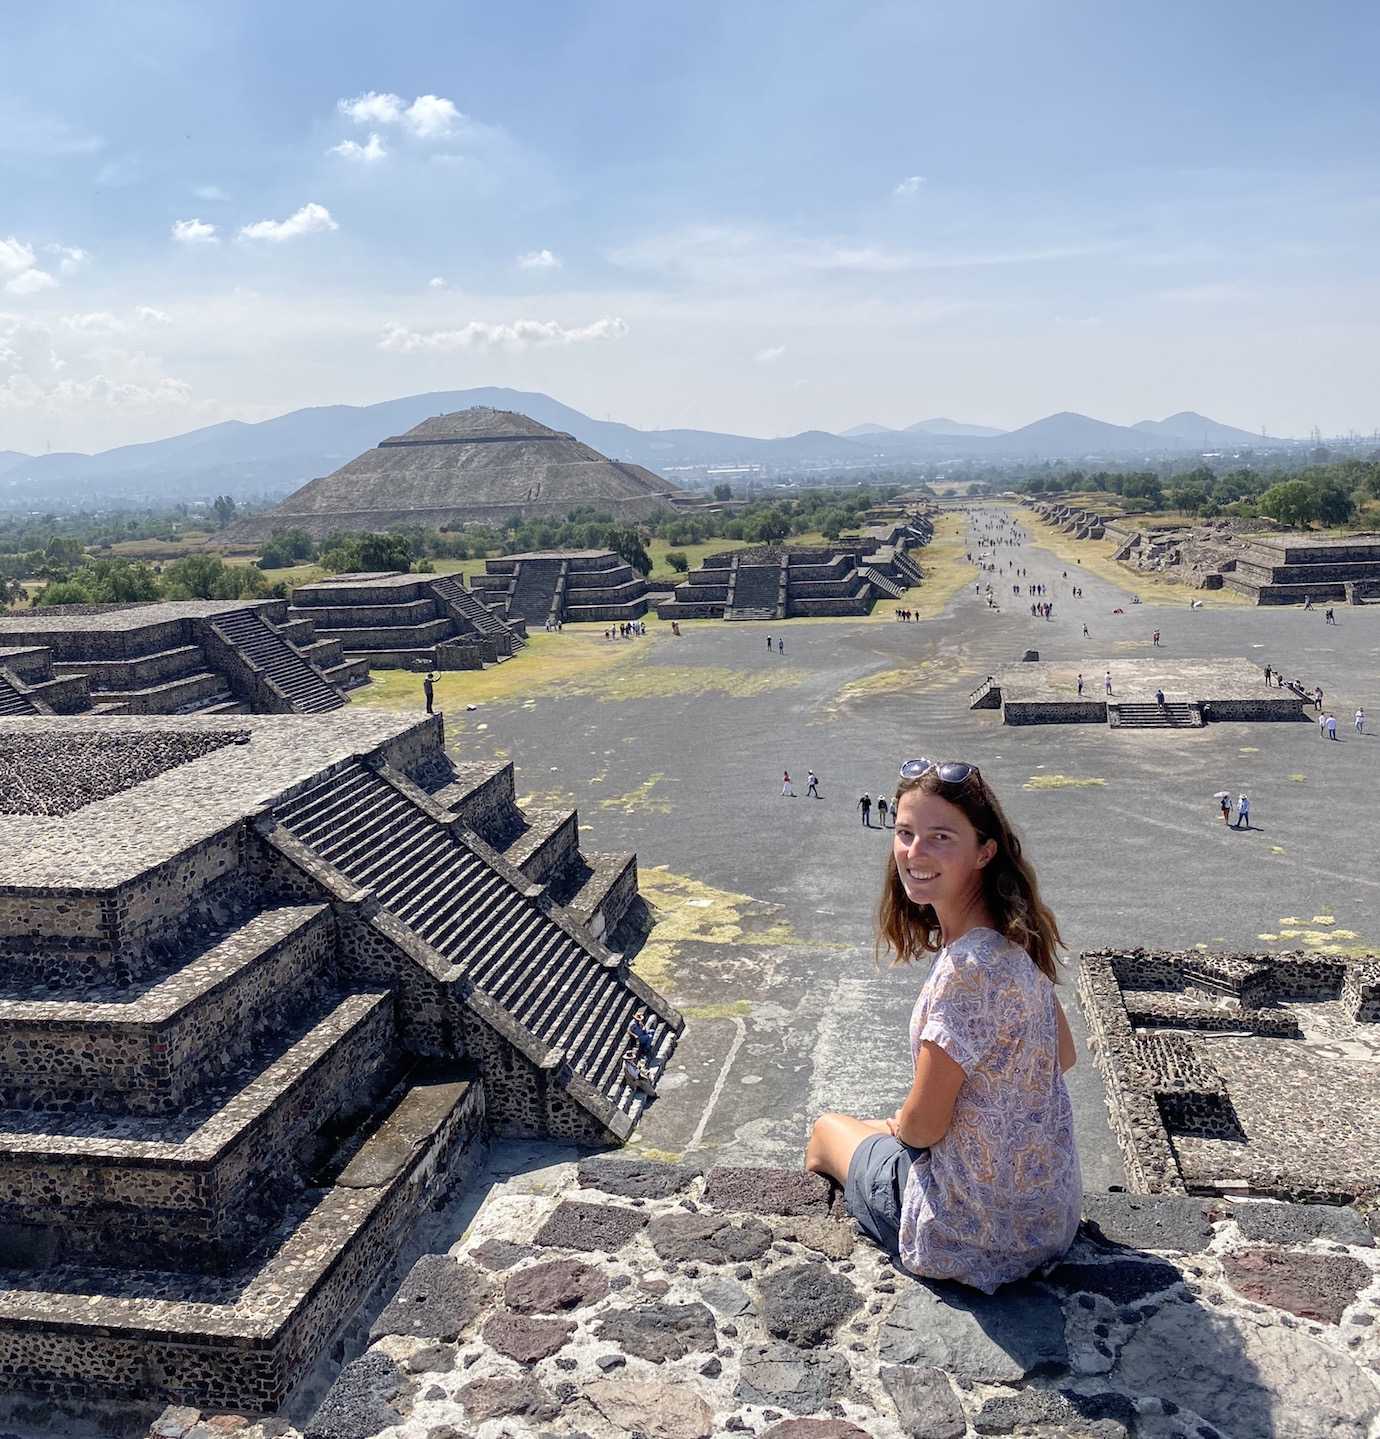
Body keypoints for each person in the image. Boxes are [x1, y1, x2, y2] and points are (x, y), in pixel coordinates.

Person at [804, 758, 1080, 1293]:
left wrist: (900, 1127)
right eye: (905, 834)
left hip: (970, 1232)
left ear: (984, 850)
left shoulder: (965, 970)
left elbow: (924, 1128)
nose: (914, 853)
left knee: (825, 1132)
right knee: (873, 1129)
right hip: (1047, 1218)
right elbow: (1062, 1056)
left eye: (939, 837)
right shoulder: (1016, 942)